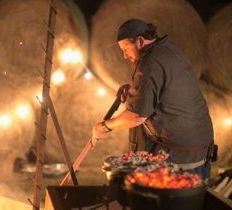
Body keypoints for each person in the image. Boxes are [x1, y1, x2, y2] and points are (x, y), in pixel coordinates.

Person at [92, 18, 217, 180]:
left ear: (140, 41)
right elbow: (163, 88)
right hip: (201, 147)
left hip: (182, 156)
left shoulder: (148, 63)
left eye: (125, 49)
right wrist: (134, 90)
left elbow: (136, 116)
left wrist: (104, 126)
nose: (124, 56)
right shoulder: (168, 49)